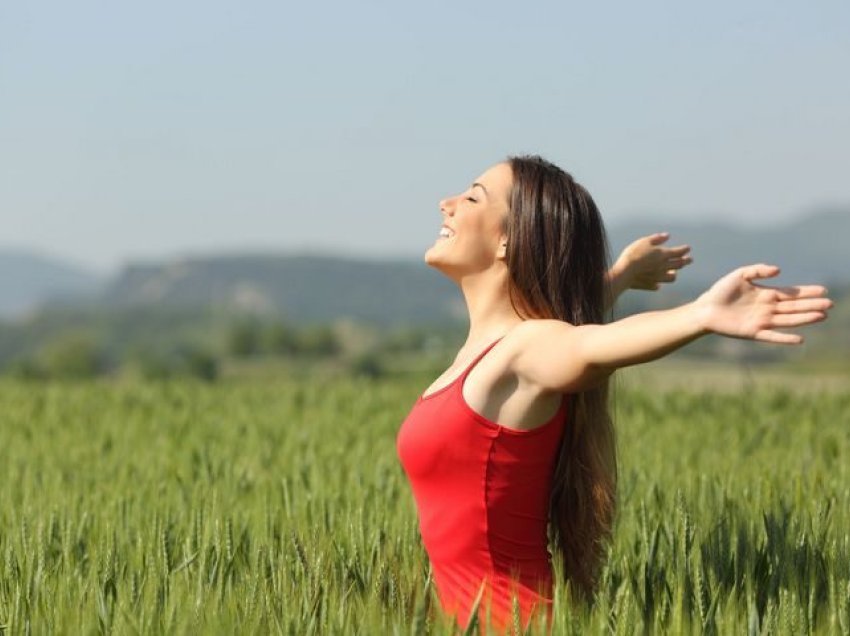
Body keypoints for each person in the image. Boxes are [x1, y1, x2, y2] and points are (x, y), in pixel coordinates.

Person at [395, 155, 831, 634]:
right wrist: (619, 278)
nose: (447, 204)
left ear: (507, 240)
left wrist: (699, 315)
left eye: (472, 196)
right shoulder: (489, 353)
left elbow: (585, 346)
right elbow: (570, 319)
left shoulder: (523, 350)